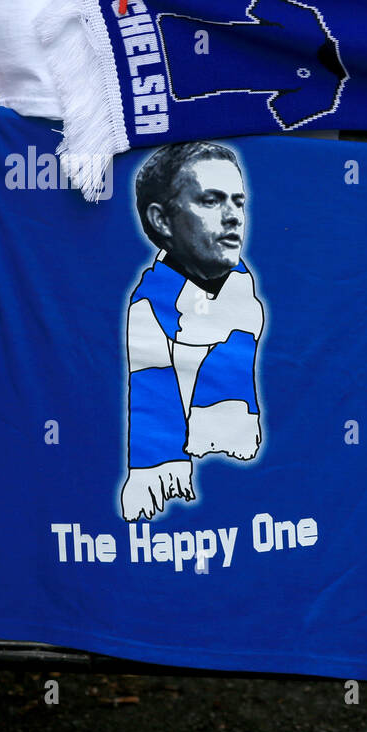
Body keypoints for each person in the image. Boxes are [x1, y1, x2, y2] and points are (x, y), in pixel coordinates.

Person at [120, 142, 265, 522]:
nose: (233, 216)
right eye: (212, 200)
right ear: (162, 220)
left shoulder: (249, 306)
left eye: (239, 201)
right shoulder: (145, 317)